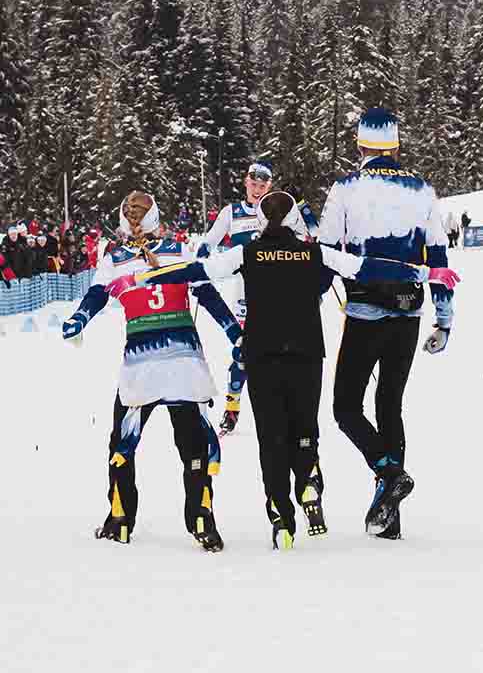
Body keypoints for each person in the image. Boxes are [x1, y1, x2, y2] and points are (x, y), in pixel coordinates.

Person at [106, 191, 460, 549]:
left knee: (271, 437)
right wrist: (428, 272)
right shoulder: (315, 252)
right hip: (307, 353)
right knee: (305, 428)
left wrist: (141, 280)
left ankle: (282, 520)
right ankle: (308, 476)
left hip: (262, 353)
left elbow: (195, 271)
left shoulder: (246, 253)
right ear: (294, 221)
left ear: (261, 221)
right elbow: (367, 267)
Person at [61, 191, 243, 552]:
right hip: (183, 364)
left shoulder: (113, 256)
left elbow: (96, 294)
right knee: (192, 444)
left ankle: (120, 519)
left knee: (122, 443)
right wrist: (234, 333)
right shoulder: (179, 248)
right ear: (156, 219)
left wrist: (79, 319)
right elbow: (206, 294)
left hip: (141, 367)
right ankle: (202, 518)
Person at [318, 107, 458, 541]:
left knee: (346, 408)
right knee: (390, 405)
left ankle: (388, 471)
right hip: (409, 312)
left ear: (361, 145)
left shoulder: (345, 188)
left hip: (363, 312)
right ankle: (389, 518)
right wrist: (445, 320)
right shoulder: (422, 191)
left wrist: (306, 303)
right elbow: (438, 258)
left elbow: (324, 251)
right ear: (395, 145)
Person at [196, 159, 307, 436]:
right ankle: (232, 408)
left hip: (279, 294)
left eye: (263, 185)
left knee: (282, 353)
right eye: (254, 184)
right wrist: (202, 254)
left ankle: (284, 409)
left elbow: (308, 238)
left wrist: (301, 206)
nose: (258, 190)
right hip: (244, 294)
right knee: (243, 354)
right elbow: (210, 240)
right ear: (246, 182)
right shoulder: (231, 212)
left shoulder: (279, 208)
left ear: (270, 185)